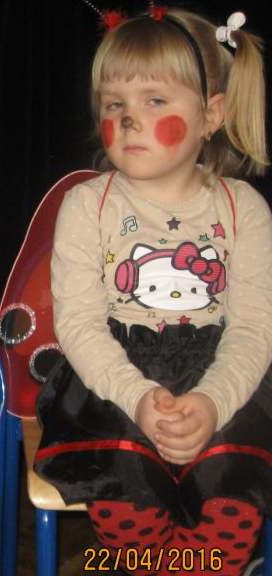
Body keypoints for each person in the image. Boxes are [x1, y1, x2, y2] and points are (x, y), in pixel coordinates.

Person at [35, 8, 272, 575]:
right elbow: (80, 325)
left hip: (222, 380)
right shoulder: (86, 206)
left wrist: (213, 402)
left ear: (211, 115)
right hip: (114, 386)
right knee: (126, 489)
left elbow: (253, 329)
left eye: (155, 100)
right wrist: (137, 397)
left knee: (230, 492)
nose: (128, 120)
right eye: (114, 104)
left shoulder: (245, 209)